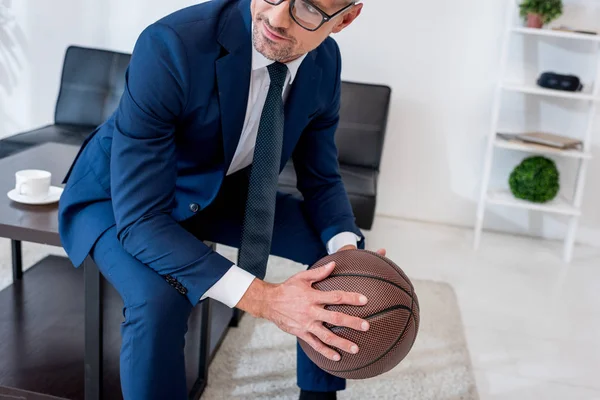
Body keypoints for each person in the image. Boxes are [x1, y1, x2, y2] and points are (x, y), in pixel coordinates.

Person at [58, 0, 385, 399]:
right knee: (160, 300)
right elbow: (142, 220)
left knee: (337, 256)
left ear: (345, 19)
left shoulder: (324, 62)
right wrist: (267, 299)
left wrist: (350, 252)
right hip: (118, 197)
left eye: (309, 9)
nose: (278, 18)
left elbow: (321, 177)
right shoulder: (172, 45)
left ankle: (318, 395)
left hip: (212, 190)